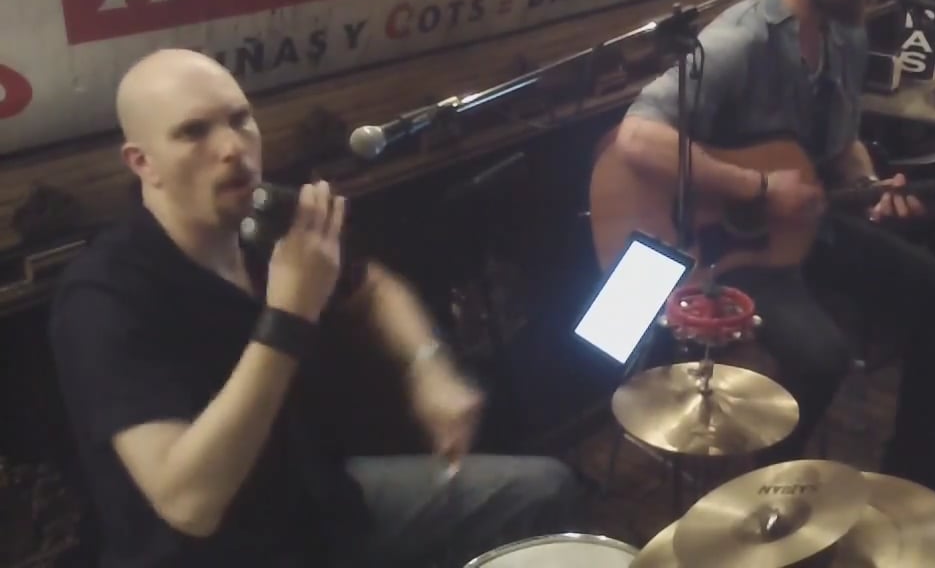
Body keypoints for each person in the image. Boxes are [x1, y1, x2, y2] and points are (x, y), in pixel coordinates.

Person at [48, 49, 578, 568]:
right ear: (143, 163)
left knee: (542, 491)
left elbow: (374, 287)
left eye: (240, 120)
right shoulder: (102, 297)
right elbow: (189, 504)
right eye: (194, 132)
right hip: (217, 554)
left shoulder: (262, 221)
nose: (232, 147)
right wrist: (289, 314)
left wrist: (427, 367)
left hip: (313, 504)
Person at [614, 0, 935, 528]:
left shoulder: (845, 32)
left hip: (804, 224)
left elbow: (839, 142)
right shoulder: (738, 41)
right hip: (723, 246)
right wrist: (759, 188)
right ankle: (760, 506)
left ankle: (915, 451)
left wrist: (872, 182)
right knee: (821, 357)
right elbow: (636, 138)